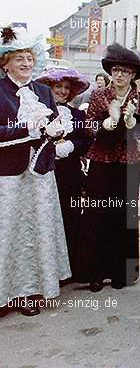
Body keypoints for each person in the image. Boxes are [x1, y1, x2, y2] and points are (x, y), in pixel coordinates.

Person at [0, 26, 70, 317]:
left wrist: (56, 131)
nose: (26, 63)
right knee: (8, 233)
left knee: (37, 231)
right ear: (5, 62)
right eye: (19, 58)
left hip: (40, 174)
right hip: (9, 176)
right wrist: (30, 128)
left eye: (29, 57)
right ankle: (5, 295)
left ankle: (30, 292)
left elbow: (55, 127)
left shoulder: (43, 91)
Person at [81, 43, 140, 292]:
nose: (120, 75)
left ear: (133, 75)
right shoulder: (99, 96)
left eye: (125, 71)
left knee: (125, 216)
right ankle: (96, 273)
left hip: (128, 163)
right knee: (98, 216)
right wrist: (107, 124)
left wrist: (132, 121)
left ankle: (121, 272)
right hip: (102, 161)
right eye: (116, 70)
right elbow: (89, 124)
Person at [36, 68, 93, 283]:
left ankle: (71, 268)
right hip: (45, 173)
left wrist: (72, 145)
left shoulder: (78, 115)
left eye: (67, 88)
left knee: (71, 219)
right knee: (47, 220)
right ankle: (48, 270)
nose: (62, 91)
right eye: (58, 86)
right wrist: (50, 147)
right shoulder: (39, 112)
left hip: (70, 174)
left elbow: (87, 140)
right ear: (49, 88)